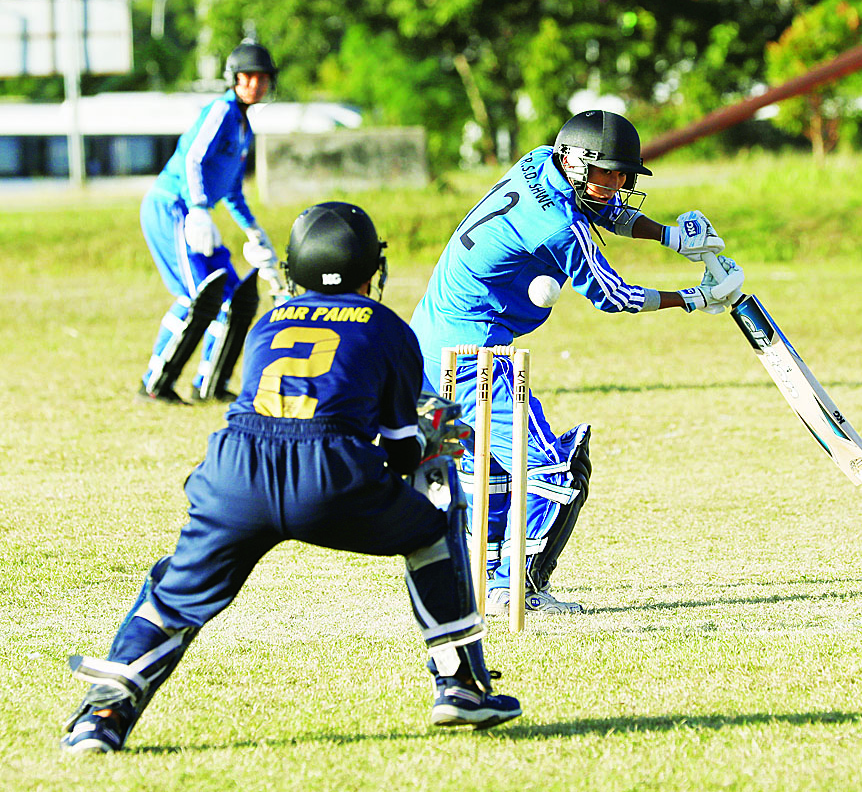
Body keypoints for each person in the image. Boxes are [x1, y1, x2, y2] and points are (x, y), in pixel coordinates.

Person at [61, 201, 522, 755]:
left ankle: (101, 717)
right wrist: (430, 440)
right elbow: (404, 448)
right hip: (329, 476)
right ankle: (460, 683)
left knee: (173, 598)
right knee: (435, 504)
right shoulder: (387, 327)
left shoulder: (268, 323)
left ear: (295, 266)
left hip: (235, 472)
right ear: (370, 268)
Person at [409, 109, 743, 615]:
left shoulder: (539, 161)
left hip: (431, 343)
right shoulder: (559, 225)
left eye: (622, 176)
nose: (616, 185)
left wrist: (671, 237)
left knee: (488, 467)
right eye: (607, 173)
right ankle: (515, 590)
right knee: (557, 470)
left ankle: (485, 582)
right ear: (576, 162)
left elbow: (598, 207)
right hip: (475, 352)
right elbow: (615, 296)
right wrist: (694, 298)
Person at [138, 39, 284, 405]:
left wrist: (253, 229)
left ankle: (210, 383)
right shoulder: (221, 110)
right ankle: (154, 384)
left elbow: (232, 190)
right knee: (199, 296)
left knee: (236, 298)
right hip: (172, 207)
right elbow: (193, 159)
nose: (255, 84)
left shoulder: (244, 127)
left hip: (193, 211)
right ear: (234, 78)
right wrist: (200, 209)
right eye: (248, 76)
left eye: (262, 77)